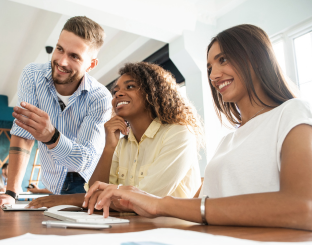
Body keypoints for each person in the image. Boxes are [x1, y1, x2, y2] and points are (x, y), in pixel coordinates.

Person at [84, 24, 312, 231]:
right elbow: (194, 209)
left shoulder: (293, 112)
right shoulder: (228, 141)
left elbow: (303, 210)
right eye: (210, 67)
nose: (213, 75)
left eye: (223, 59)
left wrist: (160, 204)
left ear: (255, 57)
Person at [0, 16, 112, 207]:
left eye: (74, 56)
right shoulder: (32, 75)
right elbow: (23, 135)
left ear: (91, 64)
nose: (62, 61)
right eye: (59, 49)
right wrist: (11, 193)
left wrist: (51, 136)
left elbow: (83, 161)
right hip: (52, 182)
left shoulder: (100, 98)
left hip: (86, 186)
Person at [26, 62, 204, 209]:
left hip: (171, 233)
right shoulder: (122, 143)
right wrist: (109, 147)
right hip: (128, 228)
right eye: (115, 90)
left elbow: (145, 200)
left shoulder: (179, 134)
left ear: (153, 92)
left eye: (130, 86)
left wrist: (66, 199)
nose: (118, 93)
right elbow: (94, 193)